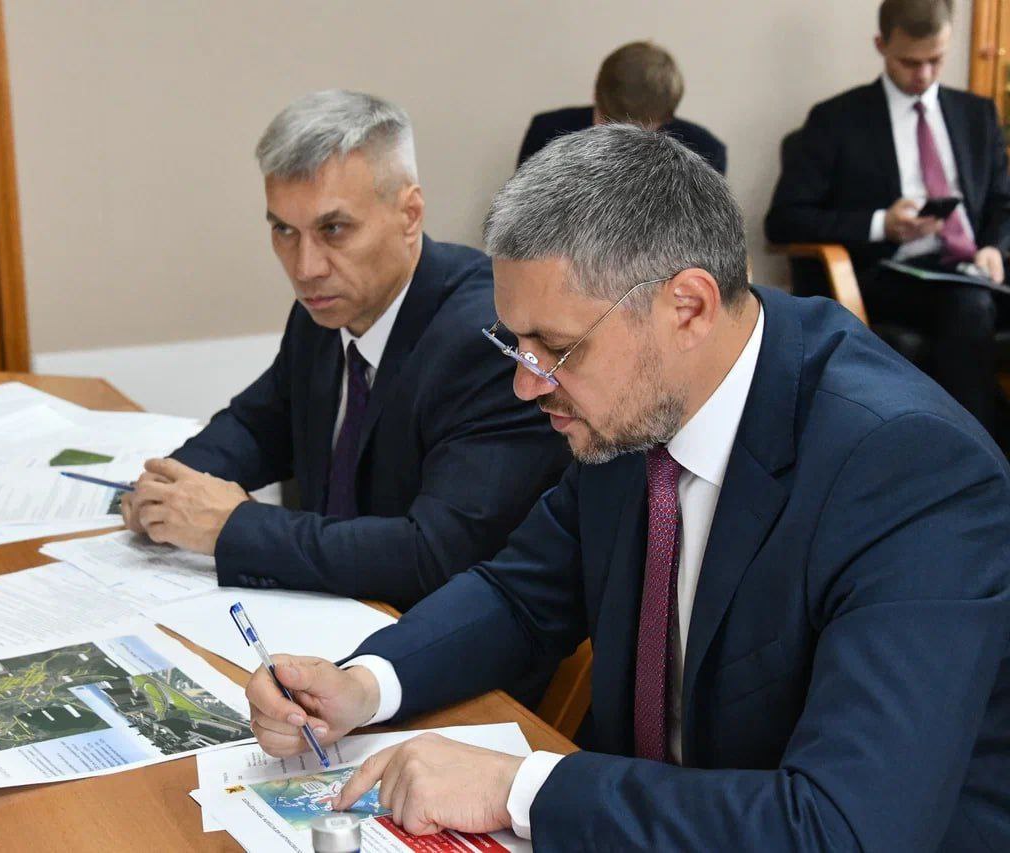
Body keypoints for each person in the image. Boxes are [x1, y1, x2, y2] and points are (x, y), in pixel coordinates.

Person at [244, 125, 1010, 849]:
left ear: (689, 307)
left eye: (555, 347)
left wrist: (520, 788)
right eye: (514, 343)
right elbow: (521, 594)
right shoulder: (637, 401)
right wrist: (364, 684)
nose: (525, 383)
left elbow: (840, 829)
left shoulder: (911, 471)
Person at [120, 90, 568, 612]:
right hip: (320, 615)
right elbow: (259, 425)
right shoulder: (327, 310)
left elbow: (433, 553)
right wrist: (169, 484)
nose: (305, 267)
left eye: (333, 229)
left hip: (426, 635)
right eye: (284, 230)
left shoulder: (486, 339)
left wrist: (233, 528)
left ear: (410, 214)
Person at [766, 0, 1010, 434]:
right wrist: (882, 224)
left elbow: (1002, 202)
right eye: (909, 62)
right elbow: (784, 220)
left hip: (976, 270)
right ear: (881, 45)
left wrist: (994, 247)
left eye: (936, 60)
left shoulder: (976, 115)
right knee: (970, 306)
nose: (924, 75)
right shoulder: (836, 120)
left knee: (974, 299)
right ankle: (977, 456)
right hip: (891, 275)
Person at [517, 40, 726, 174]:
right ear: (595, 95)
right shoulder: (547, 134)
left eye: (638, 129)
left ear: (665, 118)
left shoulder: (704, 154)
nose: (621, 140)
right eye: (610, 123)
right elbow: (520, 222)